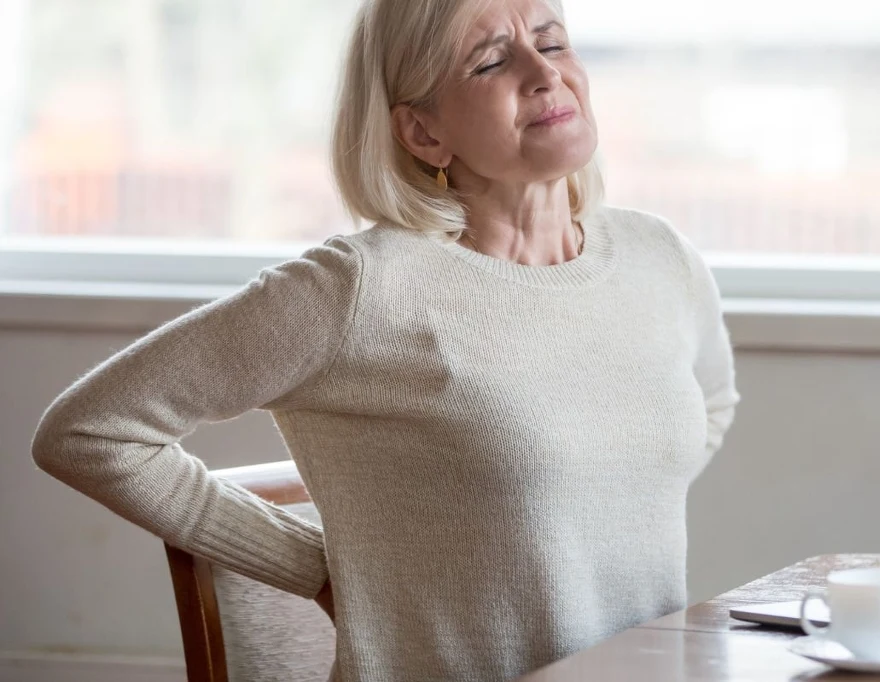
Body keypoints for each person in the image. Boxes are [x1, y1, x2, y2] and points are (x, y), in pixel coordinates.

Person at [31, 0, 740, 680]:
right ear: (424, 132)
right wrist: (312, 565)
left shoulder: (660, 257)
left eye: (552, 43)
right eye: (492, 63)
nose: (544, 72)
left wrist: (593, 491)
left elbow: (711, 403)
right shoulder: (361, 290)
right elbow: (89, 432)